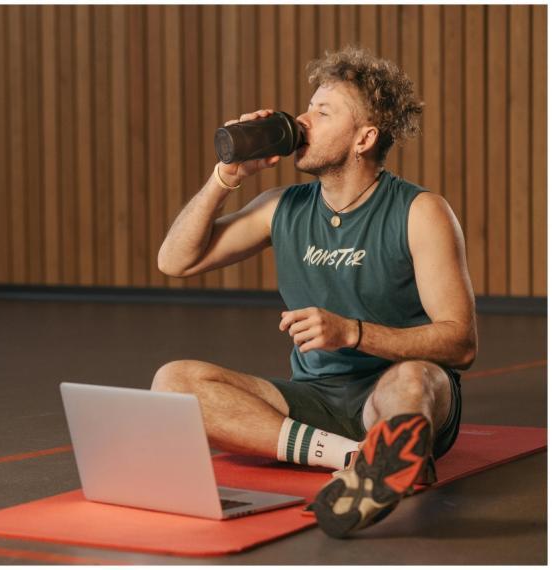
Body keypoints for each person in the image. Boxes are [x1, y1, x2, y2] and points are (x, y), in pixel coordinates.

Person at [152, 46, 477, 538]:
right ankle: (359, 459)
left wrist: (352, 332)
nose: (301, 120)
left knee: (413, 381)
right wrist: (226, 176)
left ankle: (393, 447)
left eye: (322, 113)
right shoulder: (281, 205)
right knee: (173, 382)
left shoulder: (420, 211)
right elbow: (176, 260)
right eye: (307, 108)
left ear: (364, 138)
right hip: (313, 398)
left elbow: (461, 343)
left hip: (392, 390)